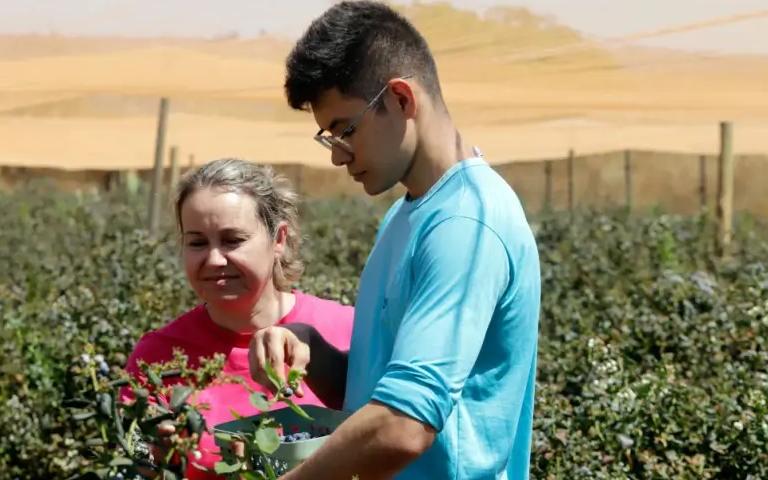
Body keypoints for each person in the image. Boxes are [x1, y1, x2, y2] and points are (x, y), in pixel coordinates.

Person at [248, 2, 542, 480]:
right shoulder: (409, 213)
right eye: (328, 138)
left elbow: (405, 425)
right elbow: (378, 393)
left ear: (402, 99)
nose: (338, 157)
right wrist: (313, 351)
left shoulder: (465, 224)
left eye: (346, 129)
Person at [120, 157, 355, 480]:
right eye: (197, 242)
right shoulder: (157, 359)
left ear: (279, 240)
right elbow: (134, 464)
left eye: (233, 240)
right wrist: (156, 458)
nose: (214, 259)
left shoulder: (348, 331)